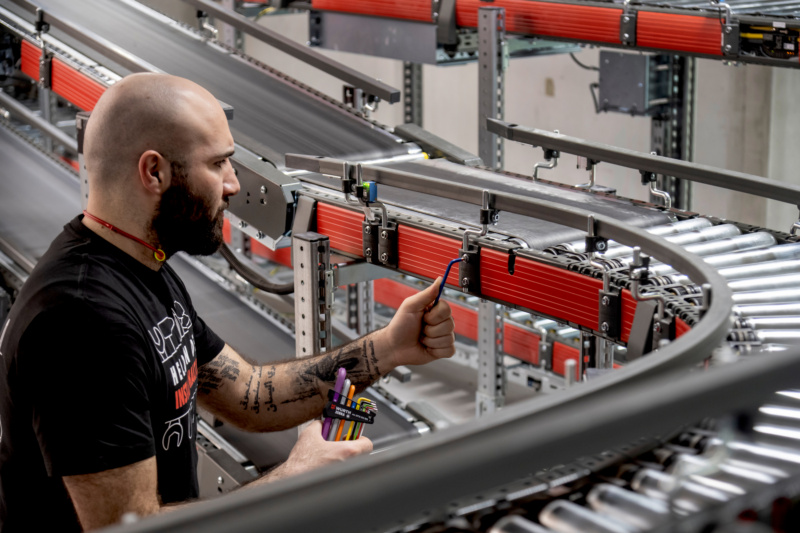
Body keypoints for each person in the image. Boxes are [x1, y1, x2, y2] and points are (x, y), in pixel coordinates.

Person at [0, 73, 455, 532]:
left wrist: (390, 347)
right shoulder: (80, 322)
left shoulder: (144, 268)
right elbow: (127, 530)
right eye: (218, 163)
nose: (234, 184)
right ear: (154, 172)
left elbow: (250, 394)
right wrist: (293, 481)